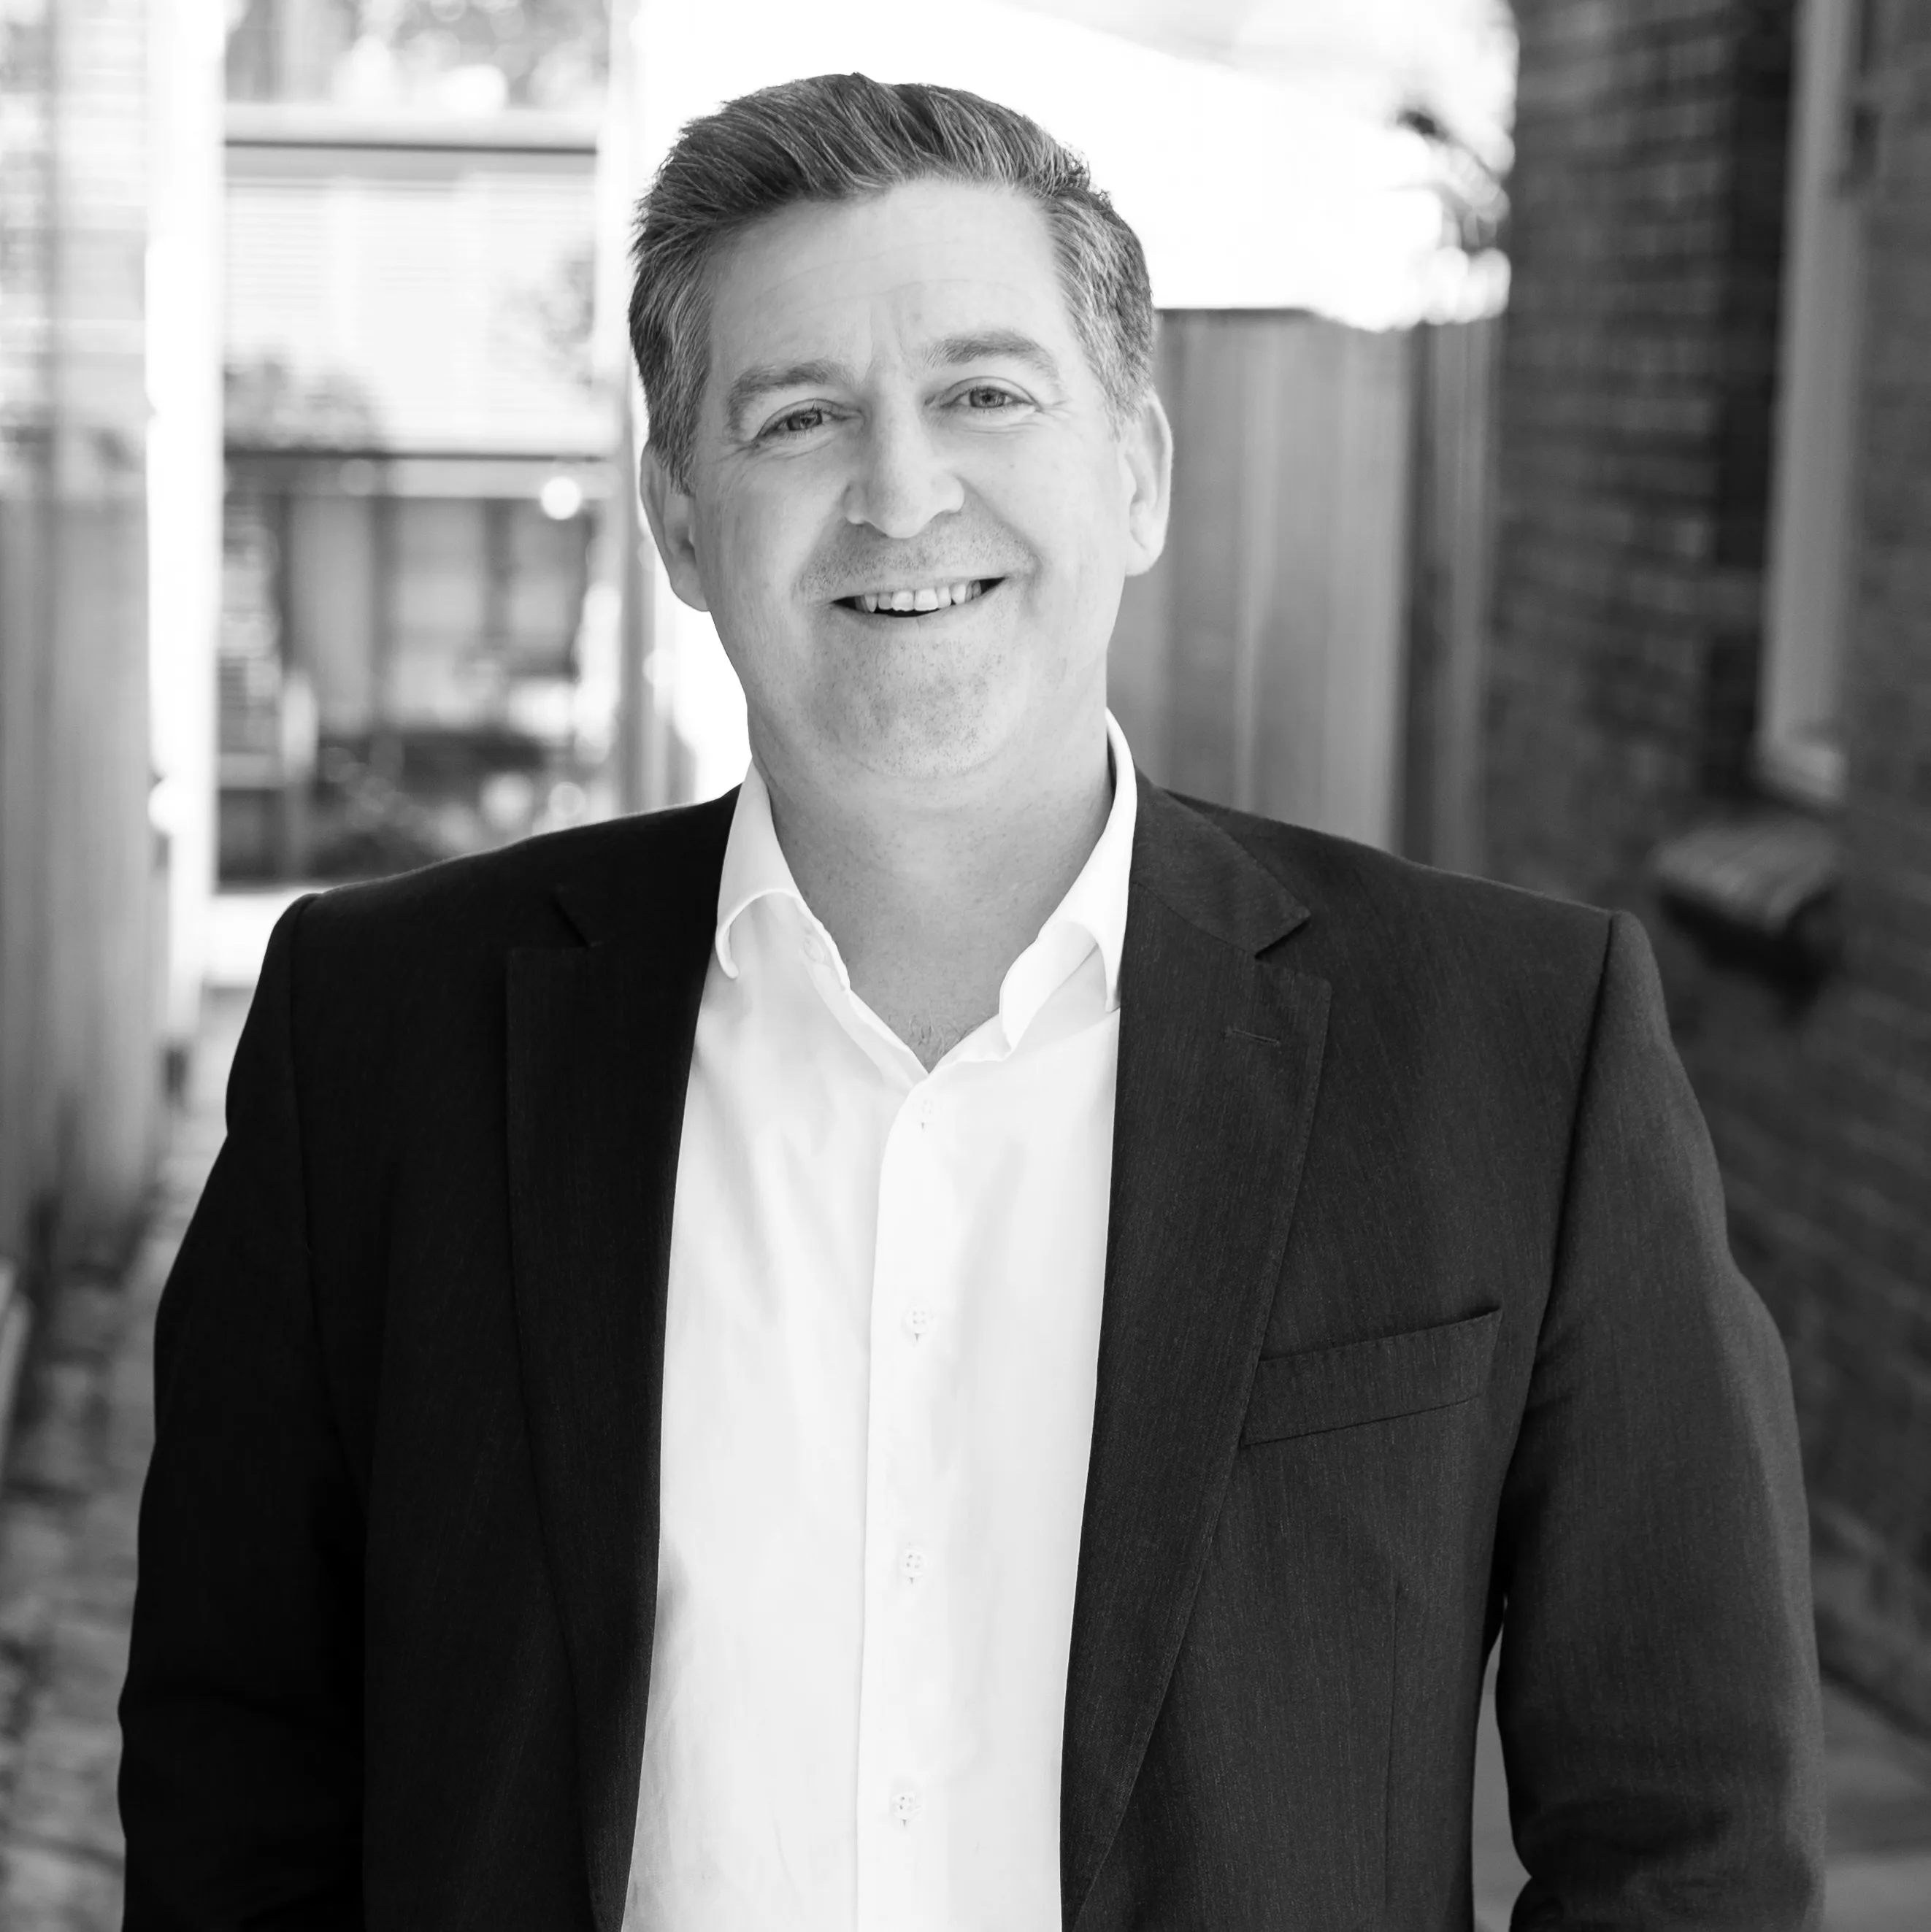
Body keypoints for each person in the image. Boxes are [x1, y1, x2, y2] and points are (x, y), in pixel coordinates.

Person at [119, 72, 1824, 1931]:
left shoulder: (1512, 1051)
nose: (901, 493)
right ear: (678, 521)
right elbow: (236, 1777)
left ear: (1136, 472)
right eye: (798, 417)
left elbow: (1687, 1839)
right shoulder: (381, 1039)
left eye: (984, 395)